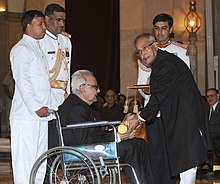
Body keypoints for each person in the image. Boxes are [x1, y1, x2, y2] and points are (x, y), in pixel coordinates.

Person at [133, 33, 210, 184]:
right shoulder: (162, 62)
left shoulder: (164, 64)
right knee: (185, 165)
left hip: (186, 120)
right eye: (139, 51)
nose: (142, 54)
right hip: (181, 118)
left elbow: (158, 98)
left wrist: (139, 119)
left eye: (145, 48)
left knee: (188, 165)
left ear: (155, 45)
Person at [58, 70, 155, 184]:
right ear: (83, 87)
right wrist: (117, 137)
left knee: (139, 143)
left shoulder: (81, 106)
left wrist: (120, 134)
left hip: (89, 147)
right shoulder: (76, 108)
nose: (98, 91)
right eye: (95, 87)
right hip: (81, 153)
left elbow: (95, 134)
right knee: (131, 149)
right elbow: (84, 141)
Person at [137, 13, 191, 184]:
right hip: (154, 112)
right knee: (156, 155)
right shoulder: (144, 53)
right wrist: (146, 90)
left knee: (174, 154)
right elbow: (141, 87)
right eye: (157, 29)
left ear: (171, 29)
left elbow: (184, 84)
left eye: (164, 28)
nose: (160, 32)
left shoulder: (180, 51)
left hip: (173, 112)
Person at [9, 10, 58, 184]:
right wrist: (36, 107)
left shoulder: (37, 47)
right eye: (40, 24)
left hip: (41, 117)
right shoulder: (21, 49)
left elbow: (56, 39)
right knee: (25, 163)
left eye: (44, 24)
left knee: (40, 162)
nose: (44, 27)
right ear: (28, 26)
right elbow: (23, 81)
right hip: (27, 116)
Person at [40, 3, 72, 149]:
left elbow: (67, 70)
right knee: (48, 139)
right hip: (48, 97)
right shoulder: (40, 41)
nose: (61, 24)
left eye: (63, 20)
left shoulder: (66, 41)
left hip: (63, 98)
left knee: (61, 139)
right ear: (47, 19)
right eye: (58, 20)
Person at [205, 88, 220, 166]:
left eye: (212, 96)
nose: (209, 98)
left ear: (218, 96)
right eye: (207, 97)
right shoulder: (206, 109)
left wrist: (206, 133)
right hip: (210, 139)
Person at [2, 69, 15, 137]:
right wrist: (9, 94)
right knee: (9, 114)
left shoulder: (18, 72)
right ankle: (9, 131)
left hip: (17, 98)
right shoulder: (9, 75)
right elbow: (4, 85)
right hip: (9, 98)